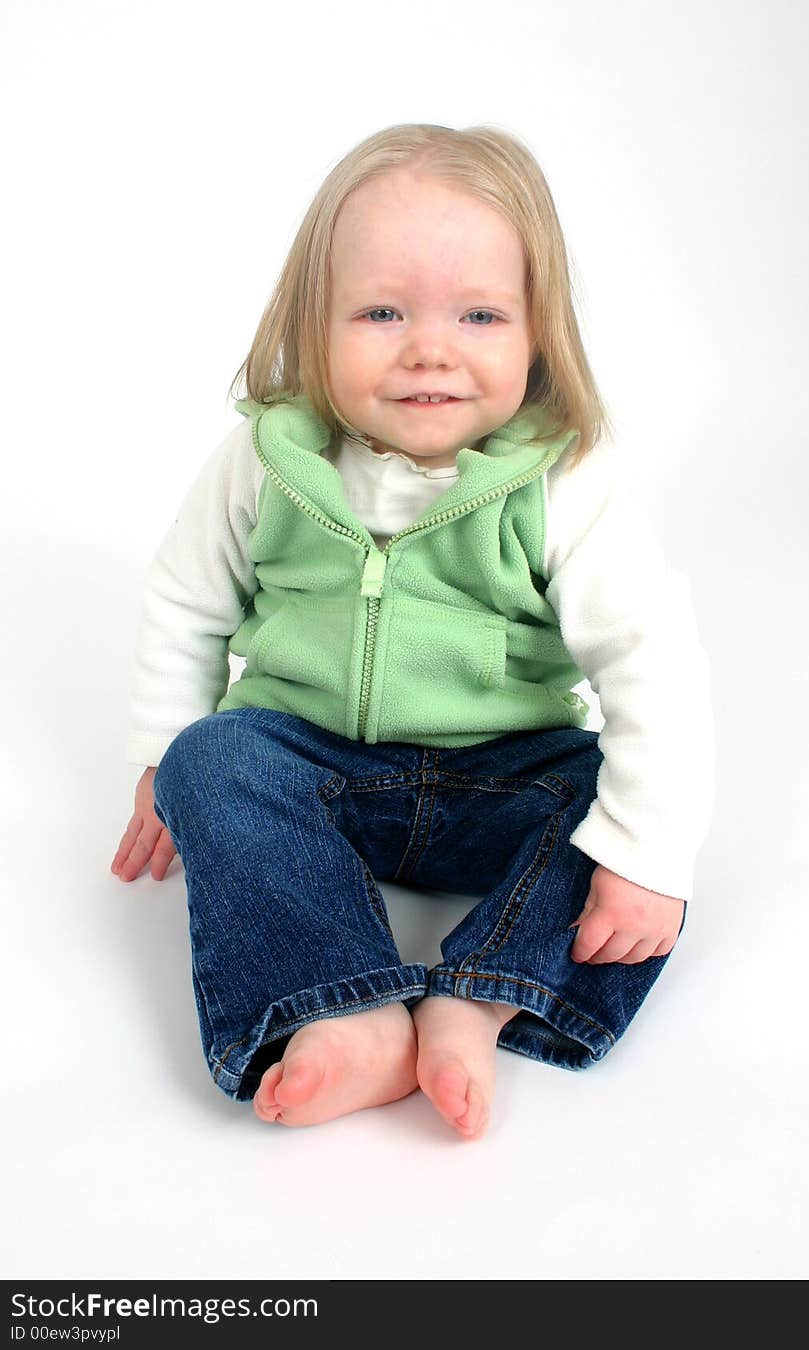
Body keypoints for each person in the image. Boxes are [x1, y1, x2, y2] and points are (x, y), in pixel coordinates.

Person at [110, 122, 714, 1141]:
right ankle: (345, 1010)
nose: (428, 347)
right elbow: (187, 603)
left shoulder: (560, 480)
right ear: (313, 325)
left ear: (537, 334)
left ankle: (474, 1000)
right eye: (380, 311)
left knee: (626, 813)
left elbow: (649, 663)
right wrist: (161, 762)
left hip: (506, 776)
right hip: (314, 766)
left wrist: (648, 852)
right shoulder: (269, 461)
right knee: (209, 760)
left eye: (479, 314)